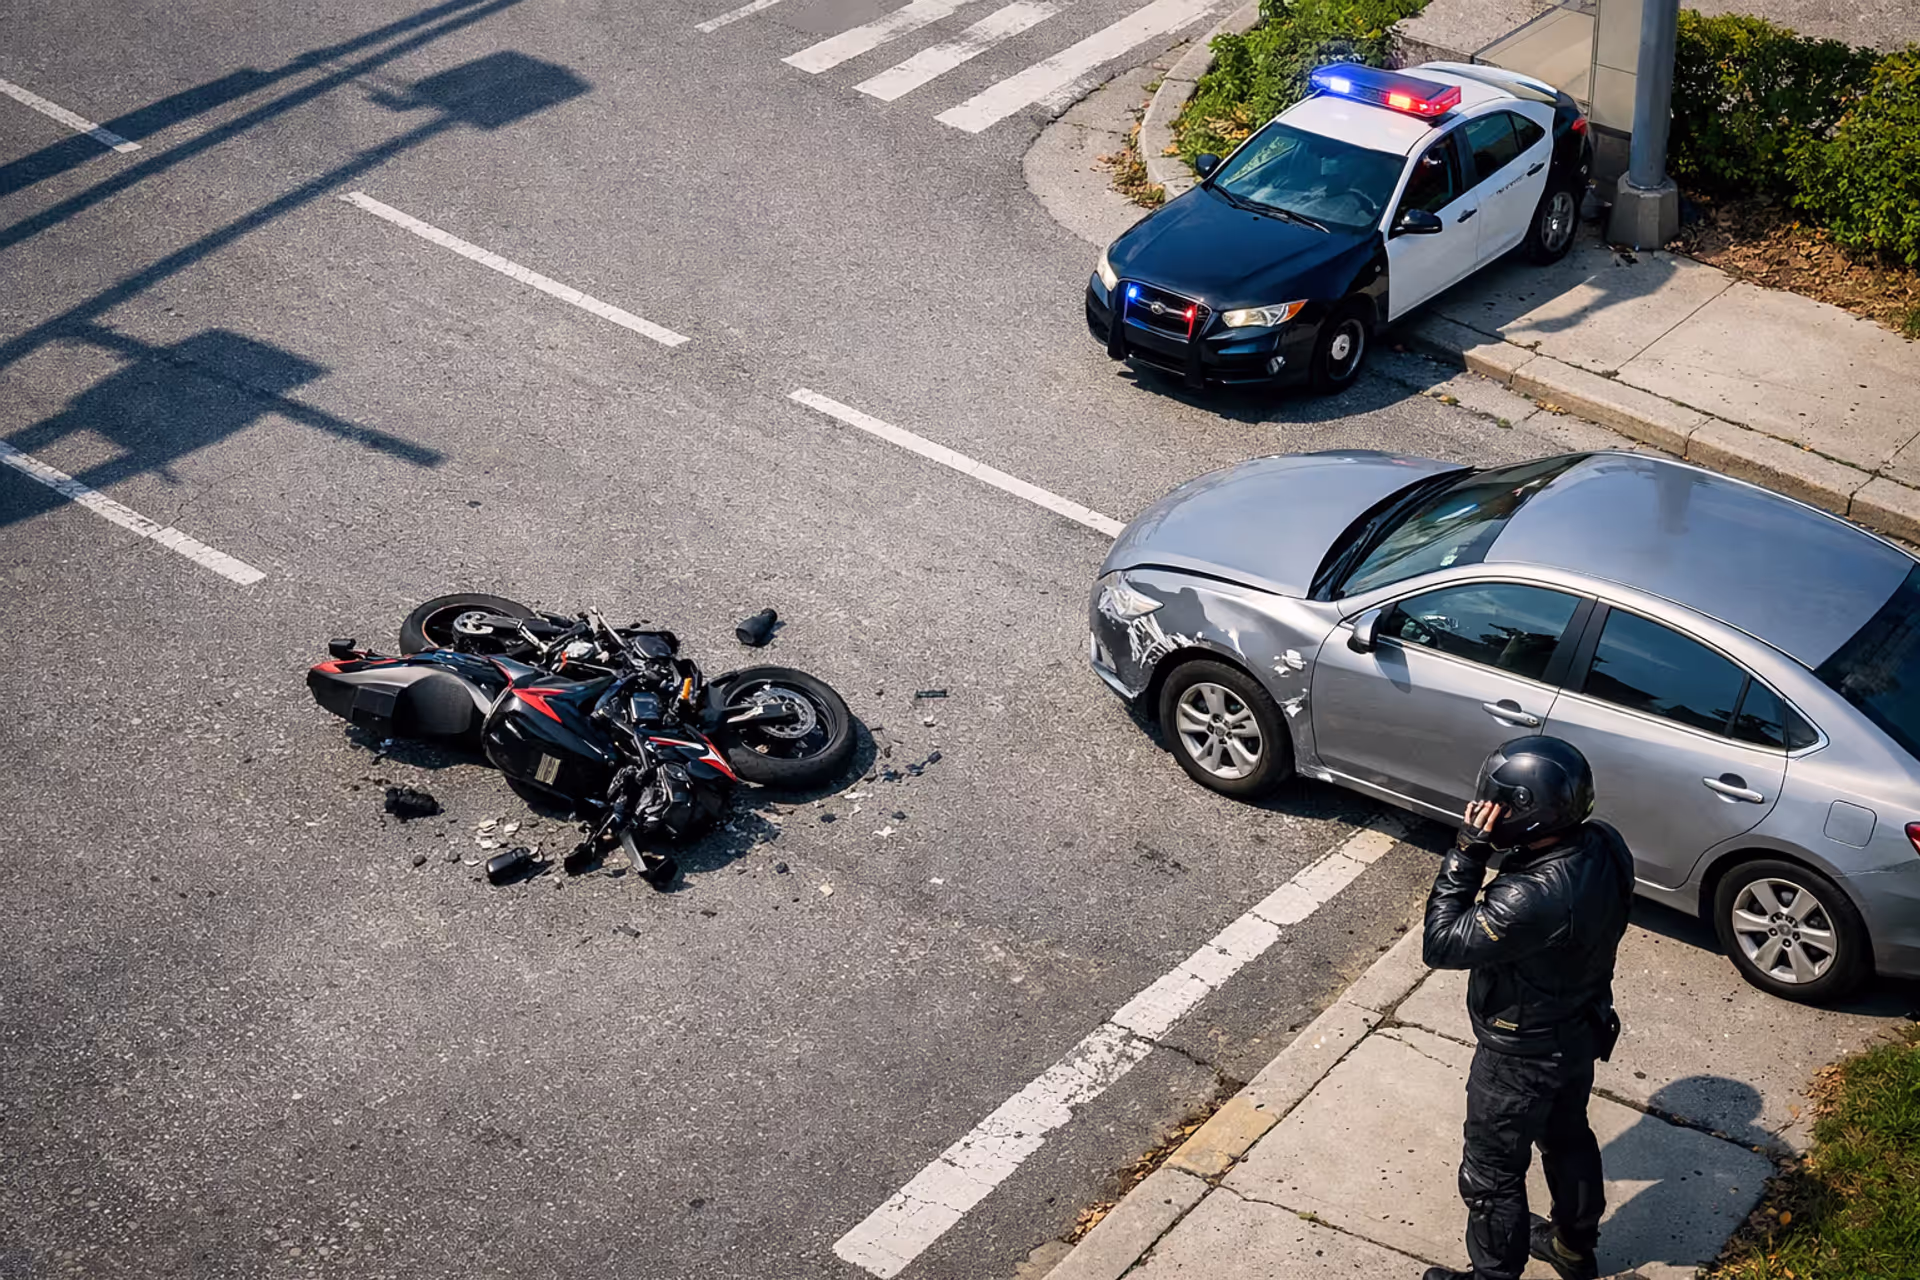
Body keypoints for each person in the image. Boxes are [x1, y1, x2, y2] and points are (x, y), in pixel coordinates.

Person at [1419, 736, 1635, 1280]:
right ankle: (1573, 1246)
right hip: (1577, 1027)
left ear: (1529, 811)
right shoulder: (1605, 844)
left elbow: (1441, 944)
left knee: (1490, 1178)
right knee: (1568, 1137)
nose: (1482, 812)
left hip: (1520, 1056)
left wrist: (1467, 854)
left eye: (1497, 803)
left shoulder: (1530, 895)